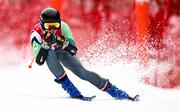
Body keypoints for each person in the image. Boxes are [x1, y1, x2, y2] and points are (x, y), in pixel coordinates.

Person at [30, 7, 139, 101]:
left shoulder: (63, 27)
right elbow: (39, 61)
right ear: (42, 24)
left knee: (83, 73)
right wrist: (44, 45)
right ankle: (69, 87)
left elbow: (73, 50)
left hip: (62, 52)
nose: (53, 29)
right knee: (49, 53)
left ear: (59, 22)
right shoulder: (36, 34)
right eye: (49, 26)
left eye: (55, 25)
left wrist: (63, 42)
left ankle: (113, 90)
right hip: (49, 54)